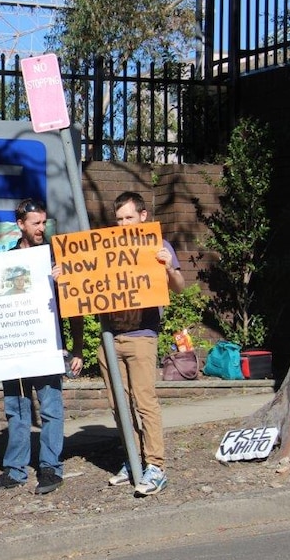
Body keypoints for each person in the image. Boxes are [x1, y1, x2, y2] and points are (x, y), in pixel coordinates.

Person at [0, 199, 84, 495]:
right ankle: (15, 470)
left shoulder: (57, 258)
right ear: (21, 224)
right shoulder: (6, 261)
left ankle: (51, 467)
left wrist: (77, 347)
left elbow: (75, 306)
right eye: (35, 223)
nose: (41, 228)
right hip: (16, 346)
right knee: (16, 407)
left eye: (44, 223)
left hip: (49, 346)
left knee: (51, 407)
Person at [100, 191, 185, 497]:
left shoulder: (158, 247)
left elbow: (178, 287)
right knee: (118, 406)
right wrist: (64, 279)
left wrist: (168, 268)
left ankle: (156, 466)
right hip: (110, 339)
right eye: (119, 219)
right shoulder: (104, 250)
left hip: (142, 337)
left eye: (128, 217)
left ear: (143, 216)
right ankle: (133, 461)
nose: (123, 224)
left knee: (144, 403)